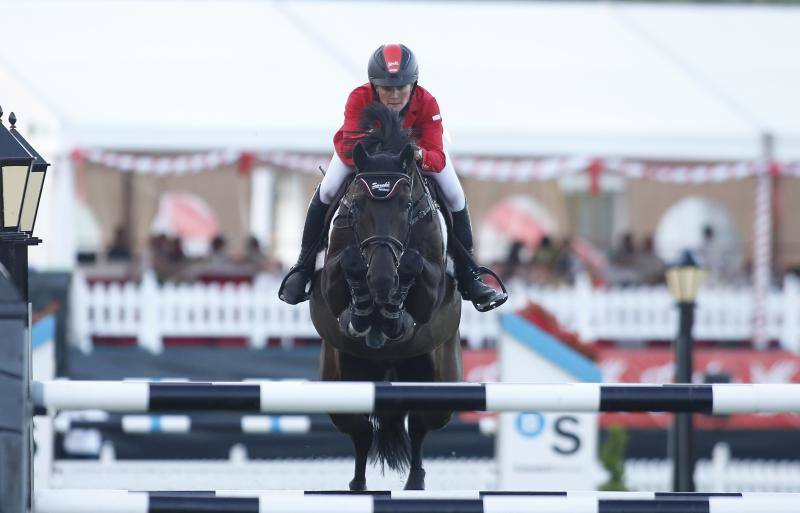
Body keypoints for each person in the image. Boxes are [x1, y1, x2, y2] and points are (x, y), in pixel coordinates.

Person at [279, 44, 505, 311]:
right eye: (387, 88)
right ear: (375, 87)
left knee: (454, 194)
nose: (395, 95)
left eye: (402, 87)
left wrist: (417, 156)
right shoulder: (358, 98)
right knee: (328, 189)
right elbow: (352, 149)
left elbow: (438, 157)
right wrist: (385, 155)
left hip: (413, 153)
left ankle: (469, 274)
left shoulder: (427, 102)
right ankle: (303, 267)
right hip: (364, 154)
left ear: (414, 84)